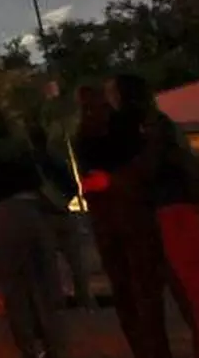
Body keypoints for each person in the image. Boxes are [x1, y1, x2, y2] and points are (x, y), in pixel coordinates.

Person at [107, 74, 199, 358]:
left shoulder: (142, 128)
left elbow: (149, 167)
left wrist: (124, 181)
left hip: (168, 209)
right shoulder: (160, 122)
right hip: (179, 206)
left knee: (191, 283)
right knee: (197, 282)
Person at [73, 85, 171, 358]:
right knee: (144, 293)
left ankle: (145, 349)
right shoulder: (124, 128)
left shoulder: (86, 135)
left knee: (128, 292)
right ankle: (156, 350)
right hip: (129, 215)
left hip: (111, 218)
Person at [0, 106, 68, 358]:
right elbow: (38, 181)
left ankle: (28, 345)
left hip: (3, 215)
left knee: (14, 286)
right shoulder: (22, 147)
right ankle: (53, 343)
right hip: (30, 211)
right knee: (42, 280)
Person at [24, 122, 95, 310]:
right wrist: (62, 200)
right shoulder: (56, 159)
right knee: (76, 262)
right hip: (63, 212)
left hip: (45, 216)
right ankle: (84, 299)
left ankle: (57, 301)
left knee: (50, 265)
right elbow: (72, 186)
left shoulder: (31, 164)